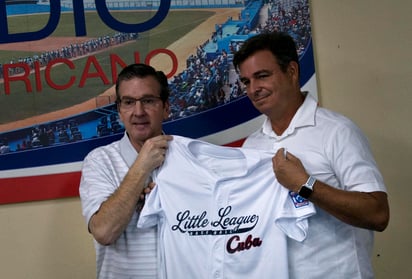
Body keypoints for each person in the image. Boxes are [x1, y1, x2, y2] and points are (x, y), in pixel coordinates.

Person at [232, 31, 390, 278]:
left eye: (262, 76)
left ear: (292, 72)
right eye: (246, 82)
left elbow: (378, 214)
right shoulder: (251, 146)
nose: (253, 89)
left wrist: (306, 185)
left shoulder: (337, 131)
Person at [79, 63, 173, 278]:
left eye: (148, 101)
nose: (138, 112)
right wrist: (141, 167)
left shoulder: (191, 159)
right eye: (129, 102)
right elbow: (103, 231)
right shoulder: (99, 161)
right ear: (119, 111)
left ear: (166, 107)